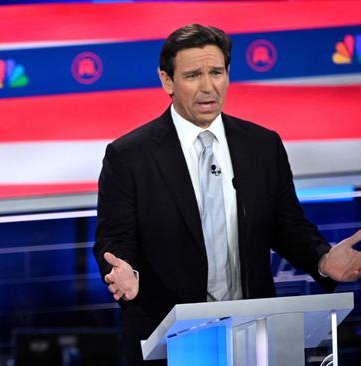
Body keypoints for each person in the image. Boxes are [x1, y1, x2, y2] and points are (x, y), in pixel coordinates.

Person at [93, 24, 361, 366]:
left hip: (254, 336)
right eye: (192, 75)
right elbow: (115, 239)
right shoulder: (130, 155)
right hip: (169, 338)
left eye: (216, 72)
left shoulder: (262, 145)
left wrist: (322, 259)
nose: (208, 87)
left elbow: (287, 226)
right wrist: (126, 273)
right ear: (167, 81)